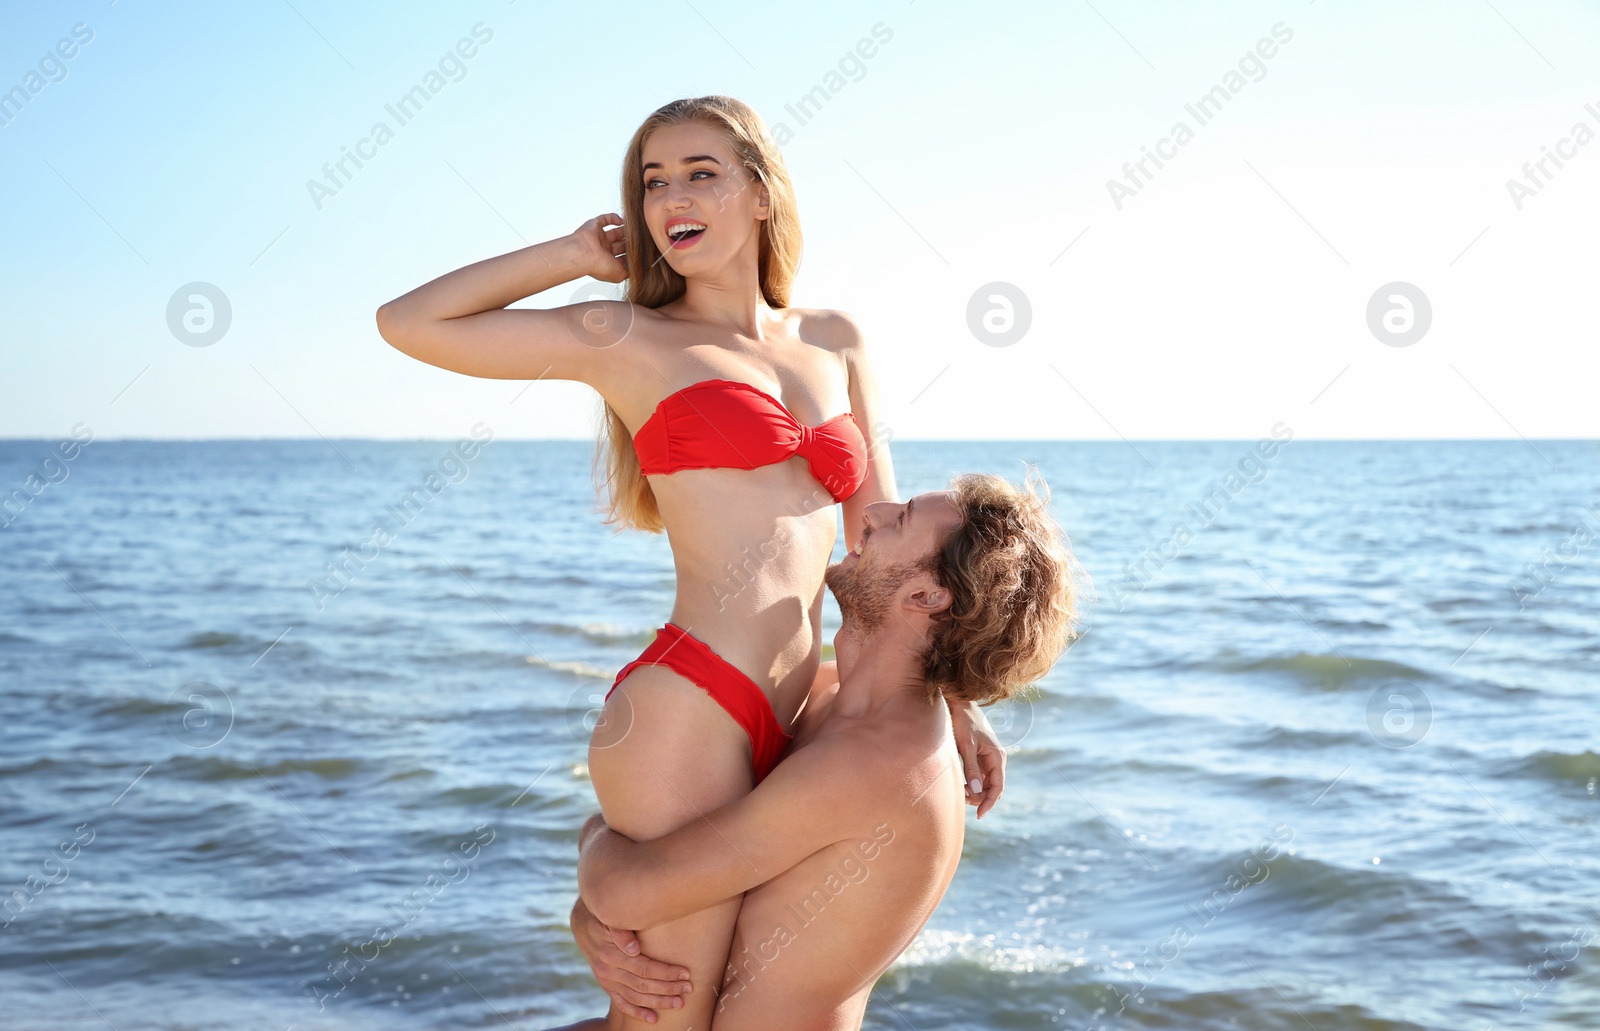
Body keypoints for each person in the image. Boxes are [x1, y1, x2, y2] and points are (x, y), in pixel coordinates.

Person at [373, 95, 1007, 1028]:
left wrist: (955, 697)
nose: (672, 196)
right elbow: (410, 322)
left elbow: (883, 538)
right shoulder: (626, 339)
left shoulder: (833, 339)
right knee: (660, 1016)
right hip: (690, 706)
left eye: (700, 172)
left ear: (759, 192)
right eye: (651, 181)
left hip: (799, 706)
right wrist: (572, 258)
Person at [552, 474, 1083, 1030]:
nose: (871, 510)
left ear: (926, 597)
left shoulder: (875, 764)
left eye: (900, 518)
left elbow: (625, 892)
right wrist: (597, 914)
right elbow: (648, 883)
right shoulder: (829, 695)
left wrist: (595, 858)